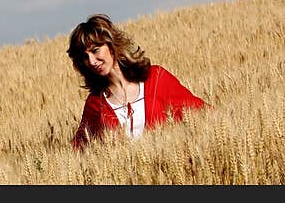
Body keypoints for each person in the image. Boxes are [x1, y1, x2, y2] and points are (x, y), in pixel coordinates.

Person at [66, 14, 208, 151]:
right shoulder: (95, 103)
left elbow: (202, 113)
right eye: (85, 57)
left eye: (95, 51)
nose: (91, 61)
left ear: (111, 45)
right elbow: (78, 148)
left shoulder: (156, 78)